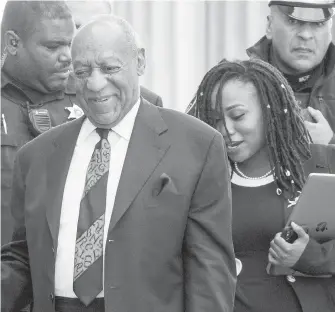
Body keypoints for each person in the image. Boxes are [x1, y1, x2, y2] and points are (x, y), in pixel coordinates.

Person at [1, 15, 236, 312]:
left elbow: (210, 270)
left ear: (139, 62)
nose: (96, 84)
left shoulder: (197, 146)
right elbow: (23, 257)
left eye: (110, 68)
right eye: (82, 71)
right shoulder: (36, 156)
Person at [0, 0, 162, 246]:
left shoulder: (115, 99)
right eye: (53, 46)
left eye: (70, 43)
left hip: (97, 274)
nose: (67, 57)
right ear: (13, 43)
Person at [188, 58, 335, 312]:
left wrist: (311, 257)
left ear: (270, 110)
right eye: (215, 119)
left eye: (238, 116)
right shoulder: (200, 178)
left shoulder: (323, 164)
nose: (226, 130)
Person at [246, 0, 335, 145]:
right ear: (269, 26)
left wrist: (330, 145)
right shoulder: (235, 83)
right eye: (293, 21)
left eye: (318, 24)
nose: (306, 35)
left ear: (329, 30)